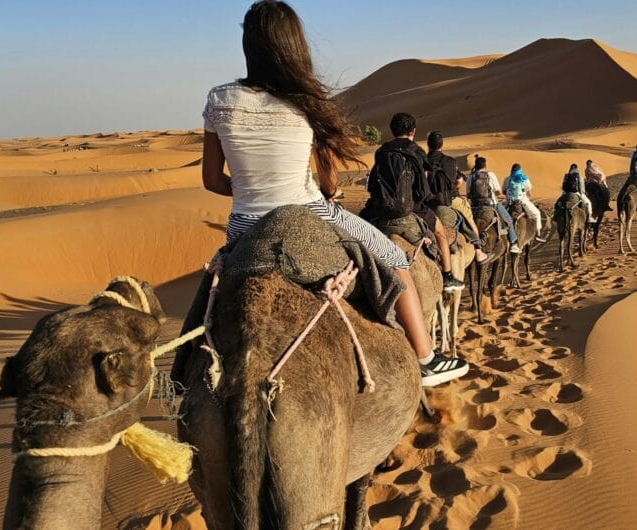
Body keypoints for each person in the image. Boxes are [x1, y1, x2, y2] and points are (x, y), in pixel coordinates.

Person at [197, 0, 467, 386]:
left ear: (248, 45)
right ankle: (424, 358)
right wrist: (326, 191)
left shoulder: (219, 100)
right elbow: (328, 185)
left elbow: (212, 179)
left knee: (209, 297)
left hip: (244, 225)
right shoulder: (308, 102)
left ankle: (178, 375)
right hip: (310, 212)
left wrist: (248, 188)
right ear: (294, 45)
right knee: (396, 259)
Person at [367, 113, 465, 292]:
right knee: (440, 232)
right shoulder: (416, 151)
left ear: (392, 129)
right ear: (413, 131)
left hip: (380, 209)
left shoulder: (381, 151)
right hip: (411, 208)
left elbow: (373, 182)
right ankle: (447, 276)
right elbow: (422, 189)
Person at [426, 131, 488, 263]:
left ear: (428, 145)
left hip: (427, 203)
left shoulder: (422, 160)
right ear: (441, 145)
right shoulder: (449, 161)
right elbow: (459, 181)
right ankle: (478, 249)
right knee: (468, 216)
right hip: (450, 200)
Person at [468, 156, 521, 253]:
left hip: (474, 207)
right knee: (508, 220)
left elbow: (468, 194)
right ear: (485, 165)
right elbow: (498, 192)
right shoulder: (490, 175)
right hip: (492, 205)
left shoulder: (471, 177)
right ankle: (513, 244)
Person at [503, 163, 544, 241]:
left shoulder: (507, 179)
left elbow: (504, 191)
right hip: (523, 202)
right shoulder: (524, 179)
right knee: (537, 213)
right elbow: (529, 193)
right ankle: (538, 234)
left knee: (501, 216)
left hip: (509, 203)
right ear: (520, 170)